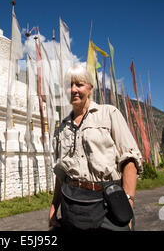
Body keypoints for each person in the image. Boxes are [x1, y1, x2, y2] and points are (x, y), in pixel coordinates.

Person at [49, 64, 143, 231]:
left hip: (107, 201)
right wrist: (54, 206)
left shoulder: (109, 114)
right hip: (71, 203)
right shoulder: (62, 127)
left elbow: (130, 159)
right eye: (69, 86)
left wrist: (127, 202)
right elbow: (61, 172)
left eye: (79, 84)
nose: (73, 90)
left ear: (90, 88)